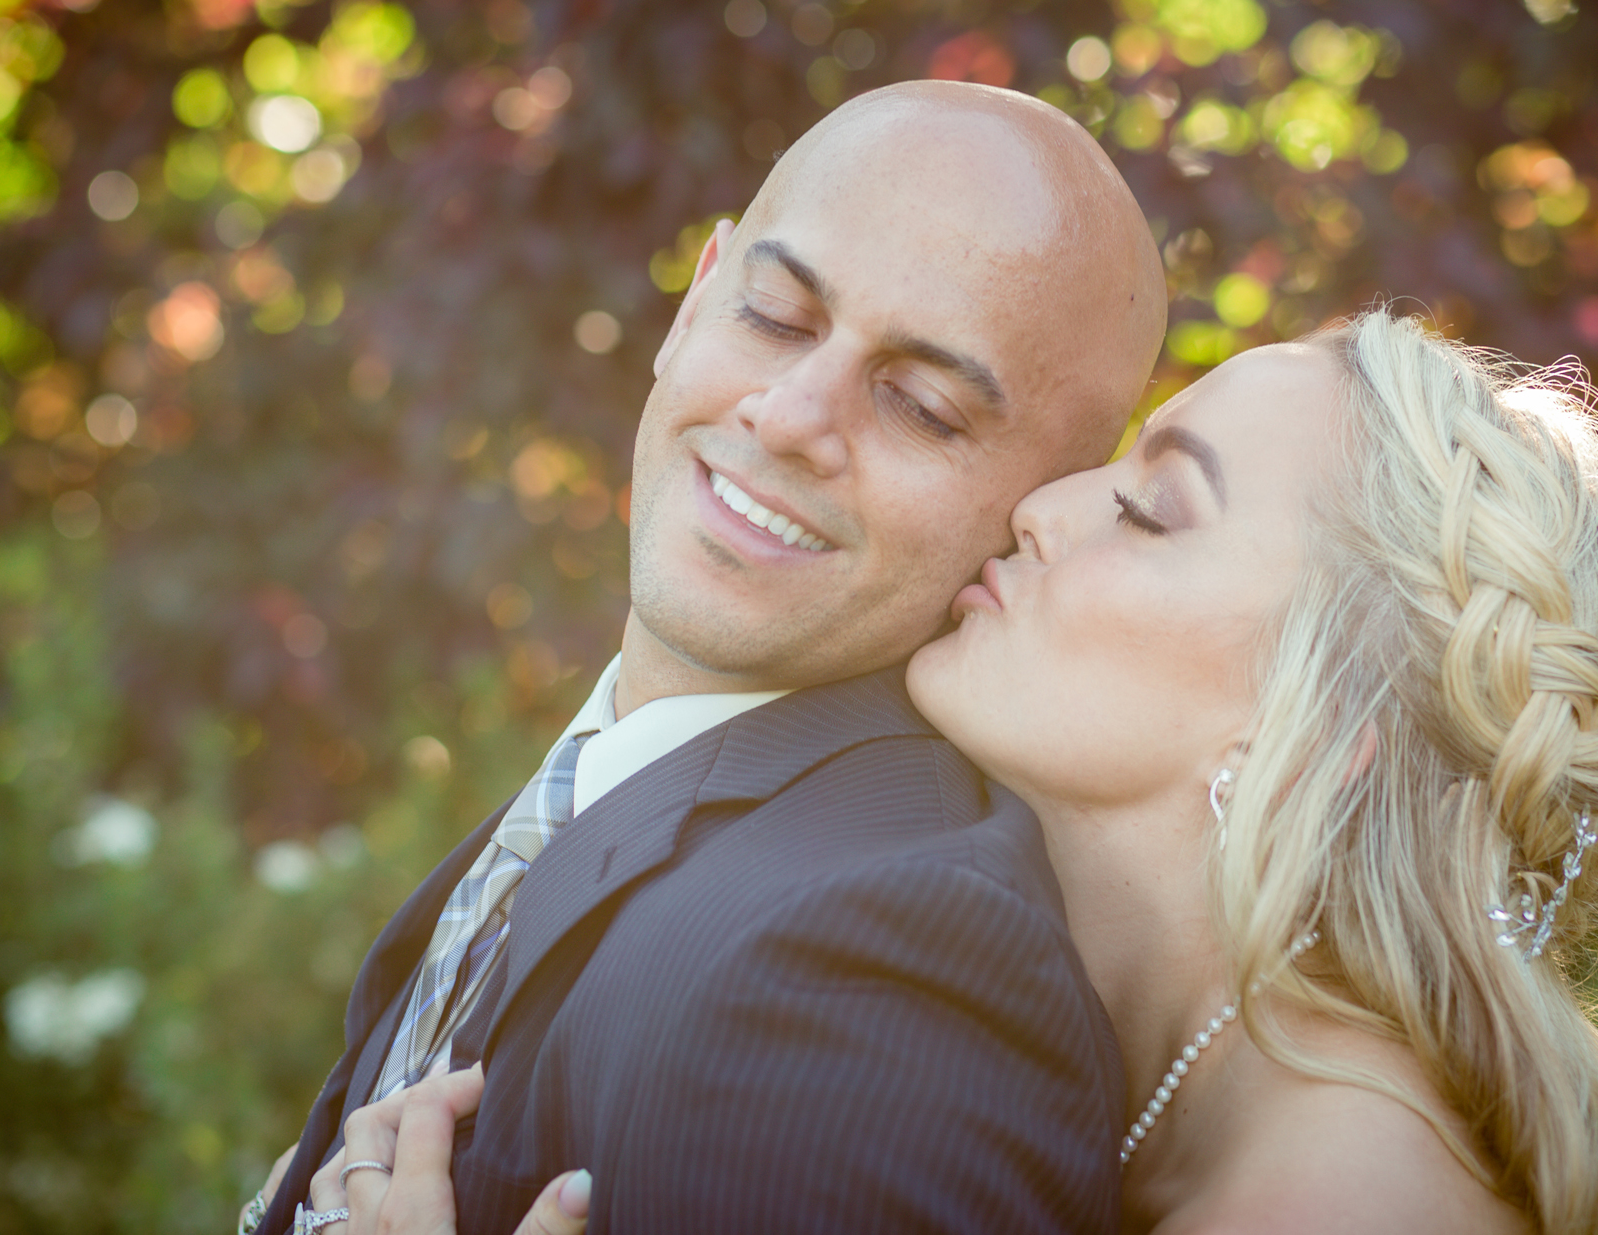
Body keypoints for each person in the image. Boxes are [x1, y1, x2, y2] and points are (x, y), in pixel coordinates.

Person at [324, 309, 1598, 1235]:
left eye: (1151, 509)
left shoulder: (1351, 1198)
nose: (1039, 512)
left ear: (1337, 735)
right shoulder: (1174, 1094)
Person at [248, 78, 1171, 1235]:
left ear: (1035, 510)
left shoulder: (883, 971)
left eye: (923, 408)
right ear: (692, 306)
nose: (788, 413)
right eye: (777, 318)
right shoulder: (618, 786)